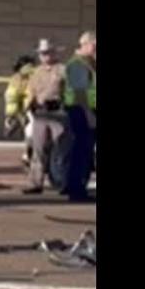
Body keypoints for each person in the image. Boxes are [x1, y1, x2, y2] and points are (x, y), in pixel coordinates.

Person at [22, 39, 68, 194]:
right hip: (40, 114)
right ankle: (35, 182)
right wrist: (27, 108)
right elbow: (31, 92)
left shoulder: (63, 70)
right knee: (38, 149)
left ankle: (63, 182)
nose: (45, 56)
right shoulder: (36, 72)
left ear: (55, 53)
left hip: (58, 113)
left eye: (48, 53)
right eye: (42, 53)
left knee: (61, 149)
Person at [62, 31, 96, 201]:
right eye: (95, 45)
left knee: (82, 150)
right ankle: (76, 189)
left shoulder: (87, 63)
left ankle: (73, 186)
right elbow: (80, 92)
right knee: (82, 151)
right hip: (81, 111)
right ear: (86, 44)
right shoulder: (77, 64)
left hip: (83, 111)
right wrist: (89, 114)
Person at [4, 54, 37, 170]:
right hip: (31, 110)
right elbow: (12, 96)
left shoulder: (17, 78)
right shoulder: (23, 77)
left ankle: (29, 156)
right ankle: (29, 156)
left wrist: (11, 115)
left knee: (31, 136)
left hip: (29, 110)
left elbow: (11, 97)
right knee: (31, 136)